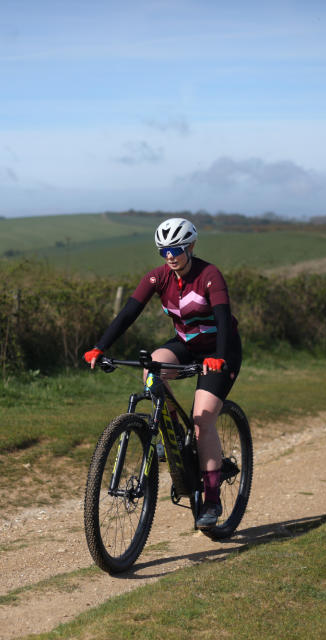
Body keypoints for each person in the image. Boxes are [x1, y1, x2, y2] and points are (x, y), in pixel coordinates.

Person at [83, 217, 242, 529]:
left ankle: (211, 498)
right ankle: (166, 435)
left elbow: (223, 320)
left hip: (220, 351)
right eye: (164, 251)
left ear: (191, 246)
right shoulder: (158, 278)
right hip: (184, 344)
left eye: (177, 249)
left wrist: (219, 358)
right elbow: (128, 313)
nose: (170, 256)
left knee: (202, 420)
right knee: (152, 367)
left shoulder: (209, 276)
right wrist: (99, 347)